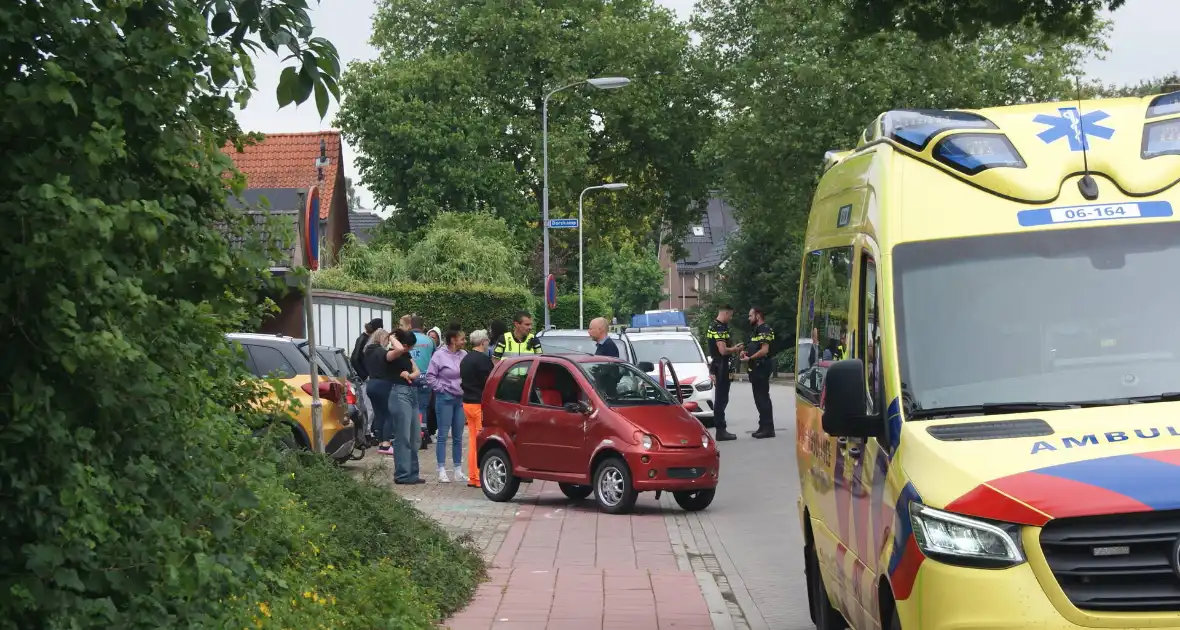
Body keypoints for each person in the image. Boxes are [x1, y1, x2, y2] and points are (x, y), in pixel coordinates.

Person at [427, 324, 467, 483]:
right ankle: (441, 469)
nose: (464, 341)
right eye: (462, 338)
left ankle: (458, 469)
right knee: (443, 435)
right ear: (453, 339)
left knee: (458, 436)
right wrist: (441, 389)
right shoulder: (439, 355)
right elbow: (430, 376)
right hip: (445, 399)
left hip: (460, 399)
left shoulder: (464, 354)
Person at [388, 327, 423, 483]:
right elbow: (400, 348)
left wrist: (409, 375)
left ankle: (413, 473)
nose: (409, 349)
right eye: (409, 346)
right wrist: (391, 337)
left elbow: (417, 371)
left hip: (411, 393)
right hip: (399, 393)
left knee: (415, 436)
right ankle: (402, 474)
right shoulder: (391, 354)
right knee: (403, 436)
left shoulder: (406, 354)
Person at [362, 329, 404, 456]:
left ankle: (380, 442)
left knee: (379, 414)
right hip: (383, 385)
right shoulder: (381, 352)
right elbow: (400, 349)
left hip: (371, 384)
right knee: (388, 414)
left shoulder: (367, 351)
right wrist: (391, 337)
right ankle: (386, 444)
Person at [460, 329, 493, 488]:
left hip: (467, 403)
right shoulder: (483, 360)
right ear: (482, 342)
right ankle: (479, 477)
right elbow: (489, 382)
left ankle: (472, 477)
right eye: (486, 340)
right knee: (481, 442)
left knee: (473, 440)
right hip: (479, 403)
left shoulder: (465, 359)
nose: (487, 343)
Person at [706, 305, 743, 442]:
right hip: (721, 365)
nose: (731, 318)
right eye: (730, 315)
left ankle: (721, 430)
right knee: (721, 398)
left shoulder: (712, 325)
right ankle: (721, 430)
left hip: (717, 364)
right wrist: (735, 348)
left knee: (721, 398)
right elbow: (722, 350)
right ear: (726, 313)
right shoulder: (720, 327)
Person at [740, 307, 776, 439]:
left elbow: (764, 350)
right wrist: (746, 353)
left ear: (758, 316)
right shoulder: (756, 331)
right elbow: (754, 347)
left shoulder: (764, 329)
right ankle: (763, 426)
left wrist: (750, 358)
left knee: (763, 398)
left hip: (761, 368)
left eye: (751, 316)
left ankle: (768, 428)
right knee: (758, 398)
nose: (749, 318)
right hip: (756, 368)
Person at [350, 318, 380, 440]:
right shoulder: (364, 340)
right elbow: (355, 358)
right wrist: (364, 374)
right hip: (365, 378)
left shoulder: (362, 338)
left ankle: (368, 432)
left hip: (365, 377)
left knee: (368, 405)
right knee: (368, 406)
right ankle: (367, 433)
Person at [409, 315, 436, 447]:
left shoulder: (405, 339)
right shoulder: (429, 341)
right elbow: (434, 358)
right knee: (422, 407)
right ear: (423, 326)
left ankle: (411, 434)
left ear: (410, 325)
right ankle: (423, 433)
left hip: (409, 377)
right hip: (425, 377)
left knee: (409, 406)